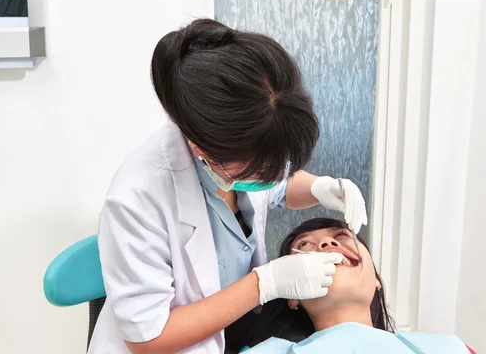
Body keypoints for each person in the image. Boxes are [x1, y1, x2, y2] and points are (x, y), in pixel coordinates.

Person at [88, 19, 368, 354]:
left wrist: (320, 188)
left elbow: (277, 185)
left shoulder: (239, 148)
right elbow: (149, 339)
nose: (280, 174)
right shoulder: (137, 200)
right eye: (264, 168)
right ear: (199, 149)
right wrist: (263, 284)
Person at [240, 218, 475, 354]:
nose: (326, 243)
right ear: (292, 296)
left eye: (342, 236)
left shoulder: (451, 349)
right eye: (304, 244)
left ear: (375, 279)